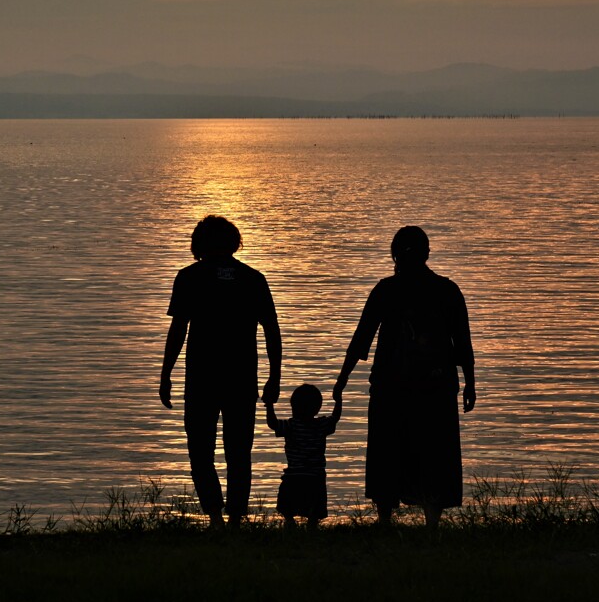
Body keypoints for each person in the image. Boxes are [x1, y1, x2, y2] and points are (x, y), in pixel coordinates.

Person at [333, 225, 475, 528]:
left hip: (392, 386)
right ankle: (431, 522)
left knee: (388, 450)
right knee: (434, 451)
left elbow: (361, 339)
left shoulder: (387, 289)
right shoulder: (446, 290)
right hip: (433, 386)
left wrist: (342, 380)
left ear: (394, 254)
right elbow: (462, 343)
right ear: (426, 253)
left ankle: (385, 518)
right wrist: (470, 384)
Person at [159, 215, 282, 529]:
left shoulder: (189, 277)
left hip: (202, 377)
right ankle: (234, 518)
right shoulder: (252, 278)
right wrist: (274, 376)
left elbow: (178, 330)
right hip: (240, 377)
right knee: (238, 451)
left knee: (201, 450)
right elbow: (272, 330)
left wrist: (166, 374)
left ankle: (217, 516)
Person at [265, 383, 342, 529]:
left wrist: (269, 405)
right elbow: (335, 417)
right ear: (317, 408)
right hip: (316, 476)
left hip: (294, 475)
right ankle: (311, 523)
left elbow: (273, 424)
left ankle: (289, 520)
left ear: (293, 407)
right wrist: (338, 399)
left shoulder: (291, 425)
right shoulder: (321, 425)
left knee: (286, 502)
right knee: (314, 505)